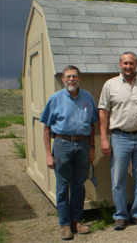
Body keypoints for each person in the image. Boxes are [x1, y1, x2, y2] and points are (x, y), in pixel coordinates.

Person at [98, 52, 137, 229]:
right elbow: (103, 112)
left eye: (131, 63)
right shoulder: (110, 85)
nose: (128, 66)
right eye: (125, 63)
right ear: (120, 65)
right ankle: (120, 216)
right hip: (119, 137)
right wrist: (103, 138)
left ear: (136, 65)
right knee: (118, 179)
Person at [40, 65, 99, 240]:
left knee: (79, 185)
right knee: (62, 186)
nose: (71, 79)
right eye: (67, 77)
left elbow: (92, 124)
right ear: (63, 79)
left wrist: (92, 147)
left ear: (79, 78)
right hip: (62, 144)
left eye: (74, 76)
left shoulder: (87, 97)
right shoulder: (55, 99)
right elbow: (46, 128)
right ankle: (64, 224)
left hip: (82, 145)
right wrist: (48, 155)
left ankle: (76, 221)